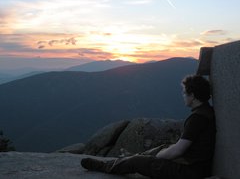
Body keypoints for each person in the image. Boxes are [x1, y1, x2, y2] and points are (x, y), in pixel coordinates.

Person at [81, 75, 216, 179]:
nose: (183, 96)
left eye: (184, 93)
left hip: (190, 171)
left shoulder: (197, 118)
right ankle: (129, 160)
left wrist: (157, 158)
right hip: (197, 165)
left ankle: (104, 166)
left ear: (192, 96)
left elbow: (178, 151)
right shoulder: (206, 111)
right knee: (162, 148)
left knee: (138, 161)